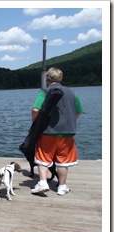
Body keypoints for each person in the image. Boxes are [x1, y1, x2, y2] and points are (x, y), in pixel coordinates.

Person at [30, 67, 82, 196]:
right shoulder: (72, 93)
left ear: (48, 79)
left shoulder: (45, 92)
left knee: (43, 158)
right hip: (68, 132)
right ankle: (62, 187)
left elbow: (36, 110)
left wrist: (36, 123)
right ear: (60, 78)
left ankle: (42, 183)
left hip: (48, 132)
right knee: (63, 161)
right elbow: (79, 112)